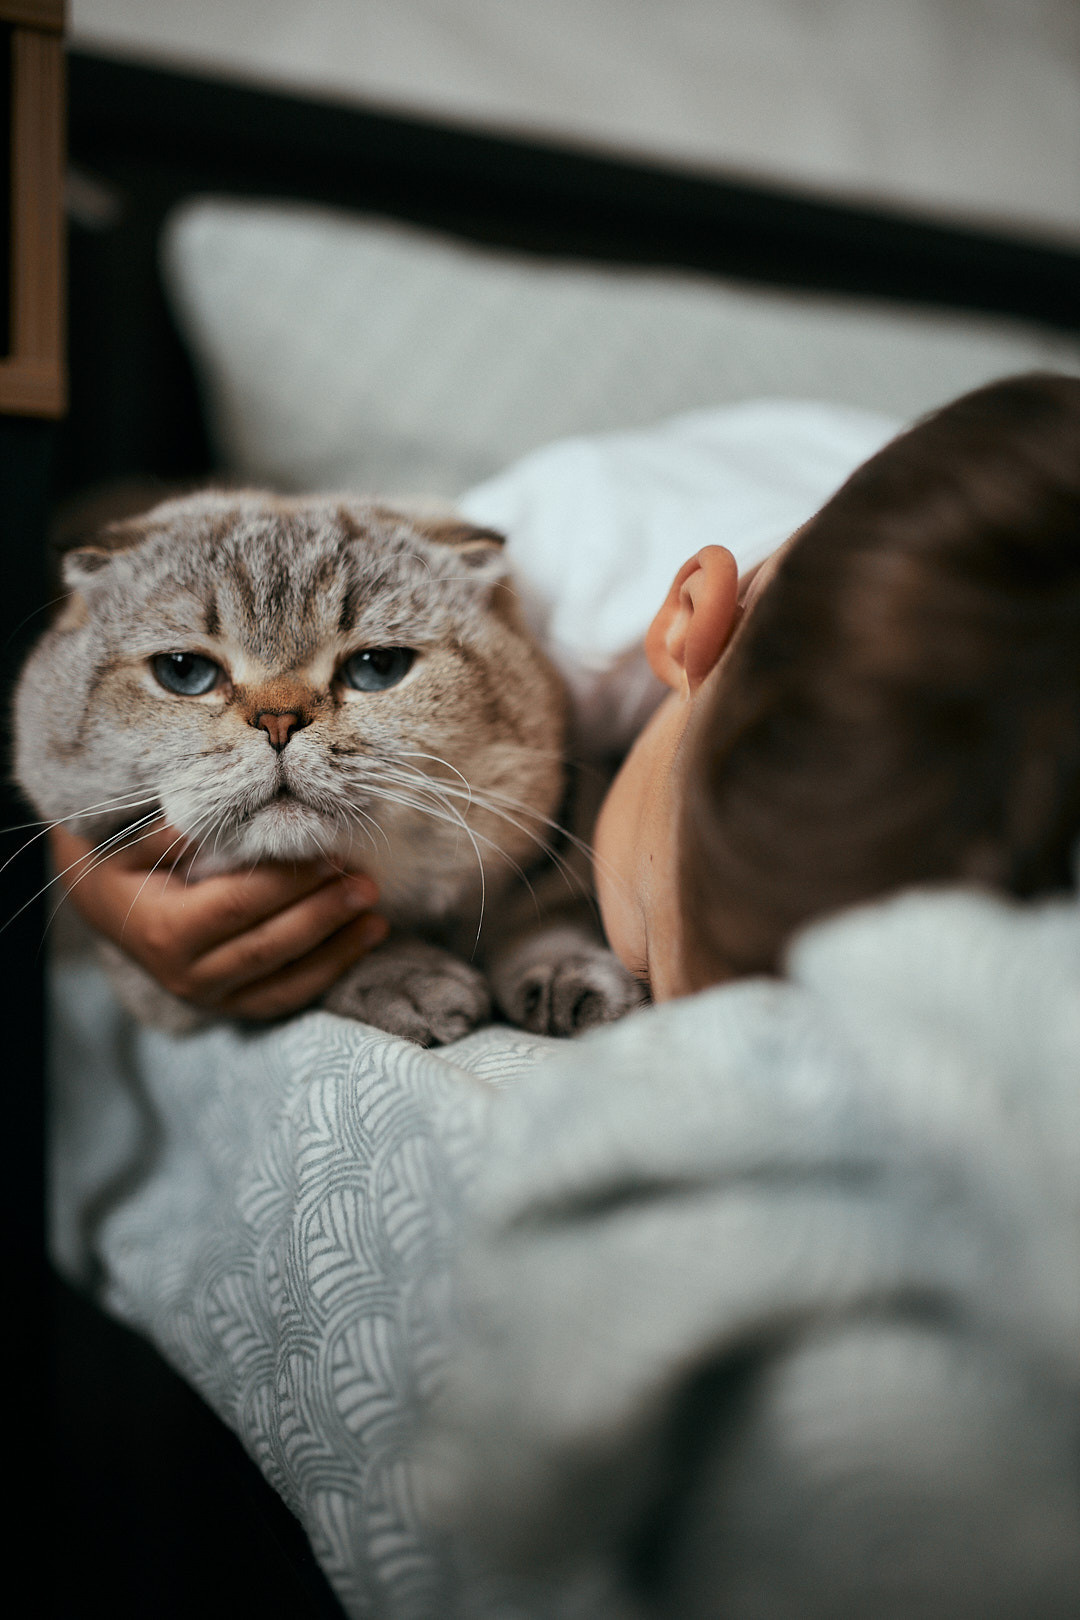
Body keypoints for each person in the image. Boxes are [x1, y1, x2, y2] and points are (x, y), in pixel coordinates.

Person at [47, 372, 1080, 1618]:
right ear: (685, 626)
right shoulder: (544, 573)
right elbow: (175, 628)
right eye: (661, 920)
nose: (651, 984)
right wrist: (103, 878)